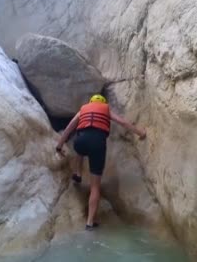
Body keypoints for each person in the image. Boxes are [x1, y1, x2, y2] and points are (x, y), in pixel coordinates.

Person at [54, 94, 146, 230]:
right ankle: (90, 223)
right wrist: (140, 133)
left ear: (91, 102)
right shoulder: (106, 109)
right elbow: (123, 123)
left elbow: (69, 128)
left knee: (80, 147)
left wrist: (59, 146)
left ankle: (77, 173)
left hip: (81, 142)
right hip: (98, 143)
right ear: (103, 103)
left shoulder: (83, 109)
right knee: (95, 186)